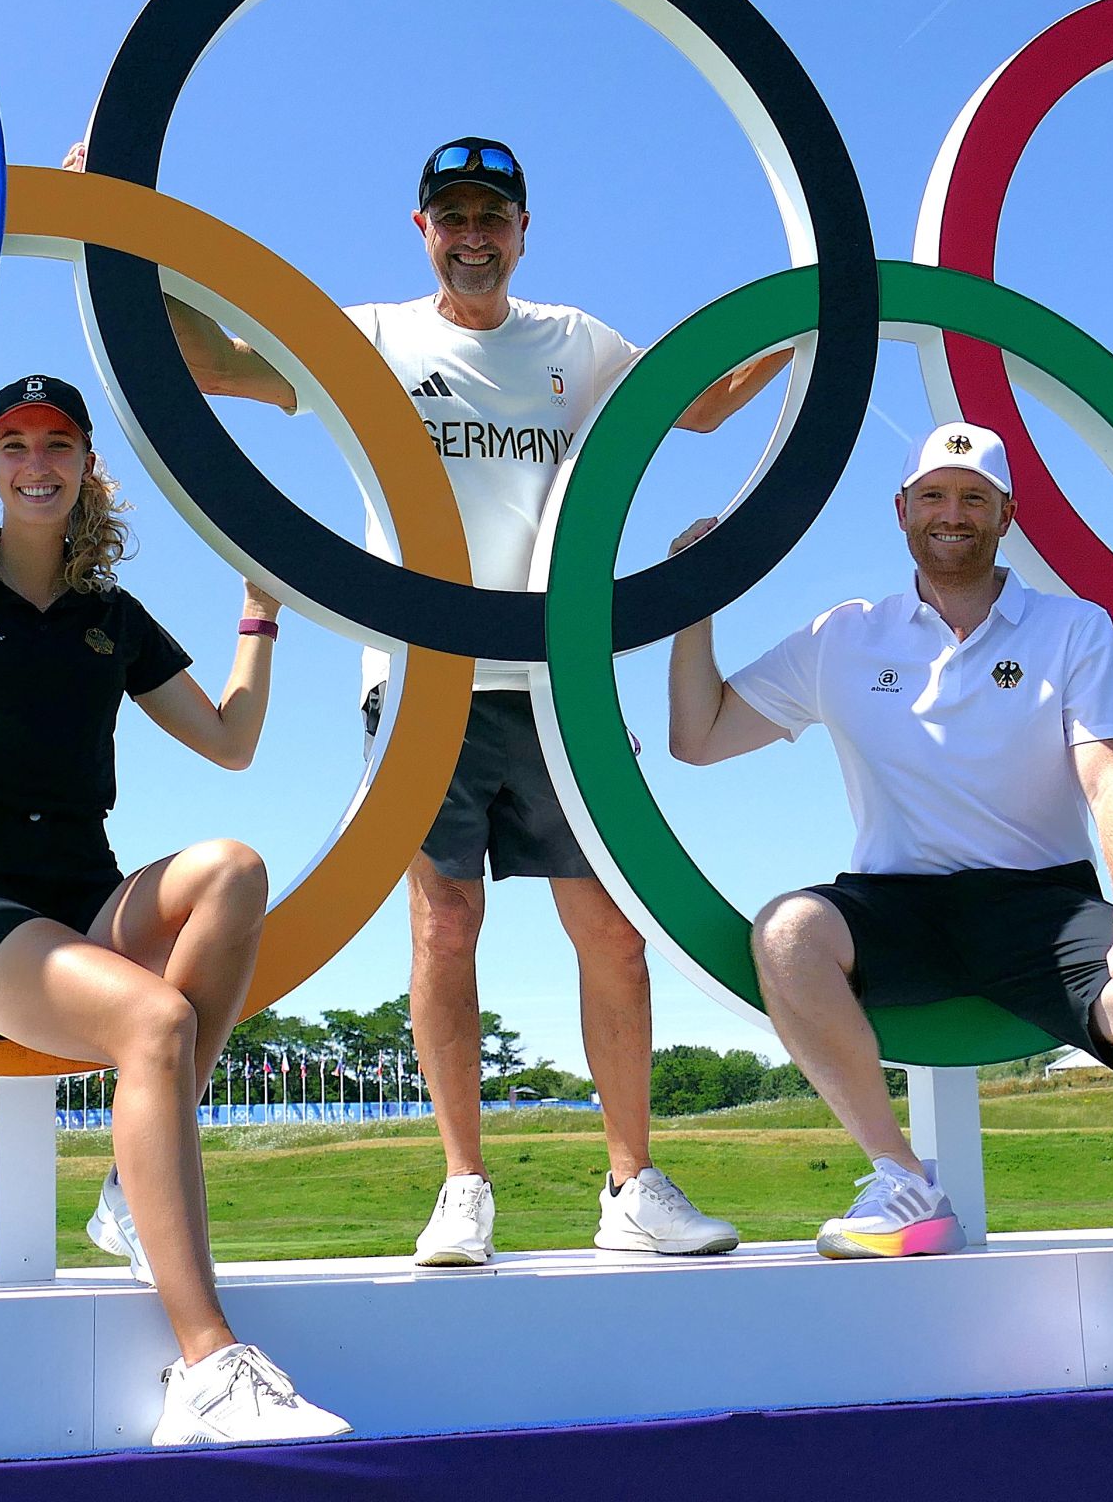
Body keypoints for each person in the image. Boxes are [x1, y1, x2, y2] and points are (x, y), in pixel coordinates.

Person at [72, 135, 782, 1265]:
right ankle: (463, 1187)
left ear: (520, 228)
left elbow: (705, 403)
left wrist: (826, 305)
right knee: (443, 925)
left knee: (611, 932)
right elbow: (207, 362)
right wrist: (126, 236)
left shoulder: (577, 343)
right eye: (451, 217)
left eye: (491, 216)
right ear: (421, 231)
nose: (472, 236)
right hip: (419, 678)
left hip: (561, 683)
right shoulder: (369, 338)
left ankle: (632, 1182)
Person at [663, 422, 1113, 1383]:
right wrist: (691, 602)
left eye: (973, 498)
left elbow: (1111, 775)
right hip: (895, 902)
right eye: (934, 496)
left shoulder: (1071, 628)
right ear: (902, 511)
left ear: (1006, 517)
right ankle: (905, 1185)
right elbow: (698, 737)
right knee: (787, 932)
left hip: (1038, 905)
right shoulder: (845, 635)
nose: (952, 515)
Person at [0, 374, 347, 1446]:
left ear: (87, 463)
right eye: (14, 443)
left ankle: (125, 1192)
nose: (36, 461)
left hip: (83, 895)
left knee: (233, 869)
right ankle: (206, 1370)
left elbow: (231, 743)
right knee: (155, 1020)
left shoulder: (110, 617)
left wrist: (260, 612)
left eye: (57, 442)